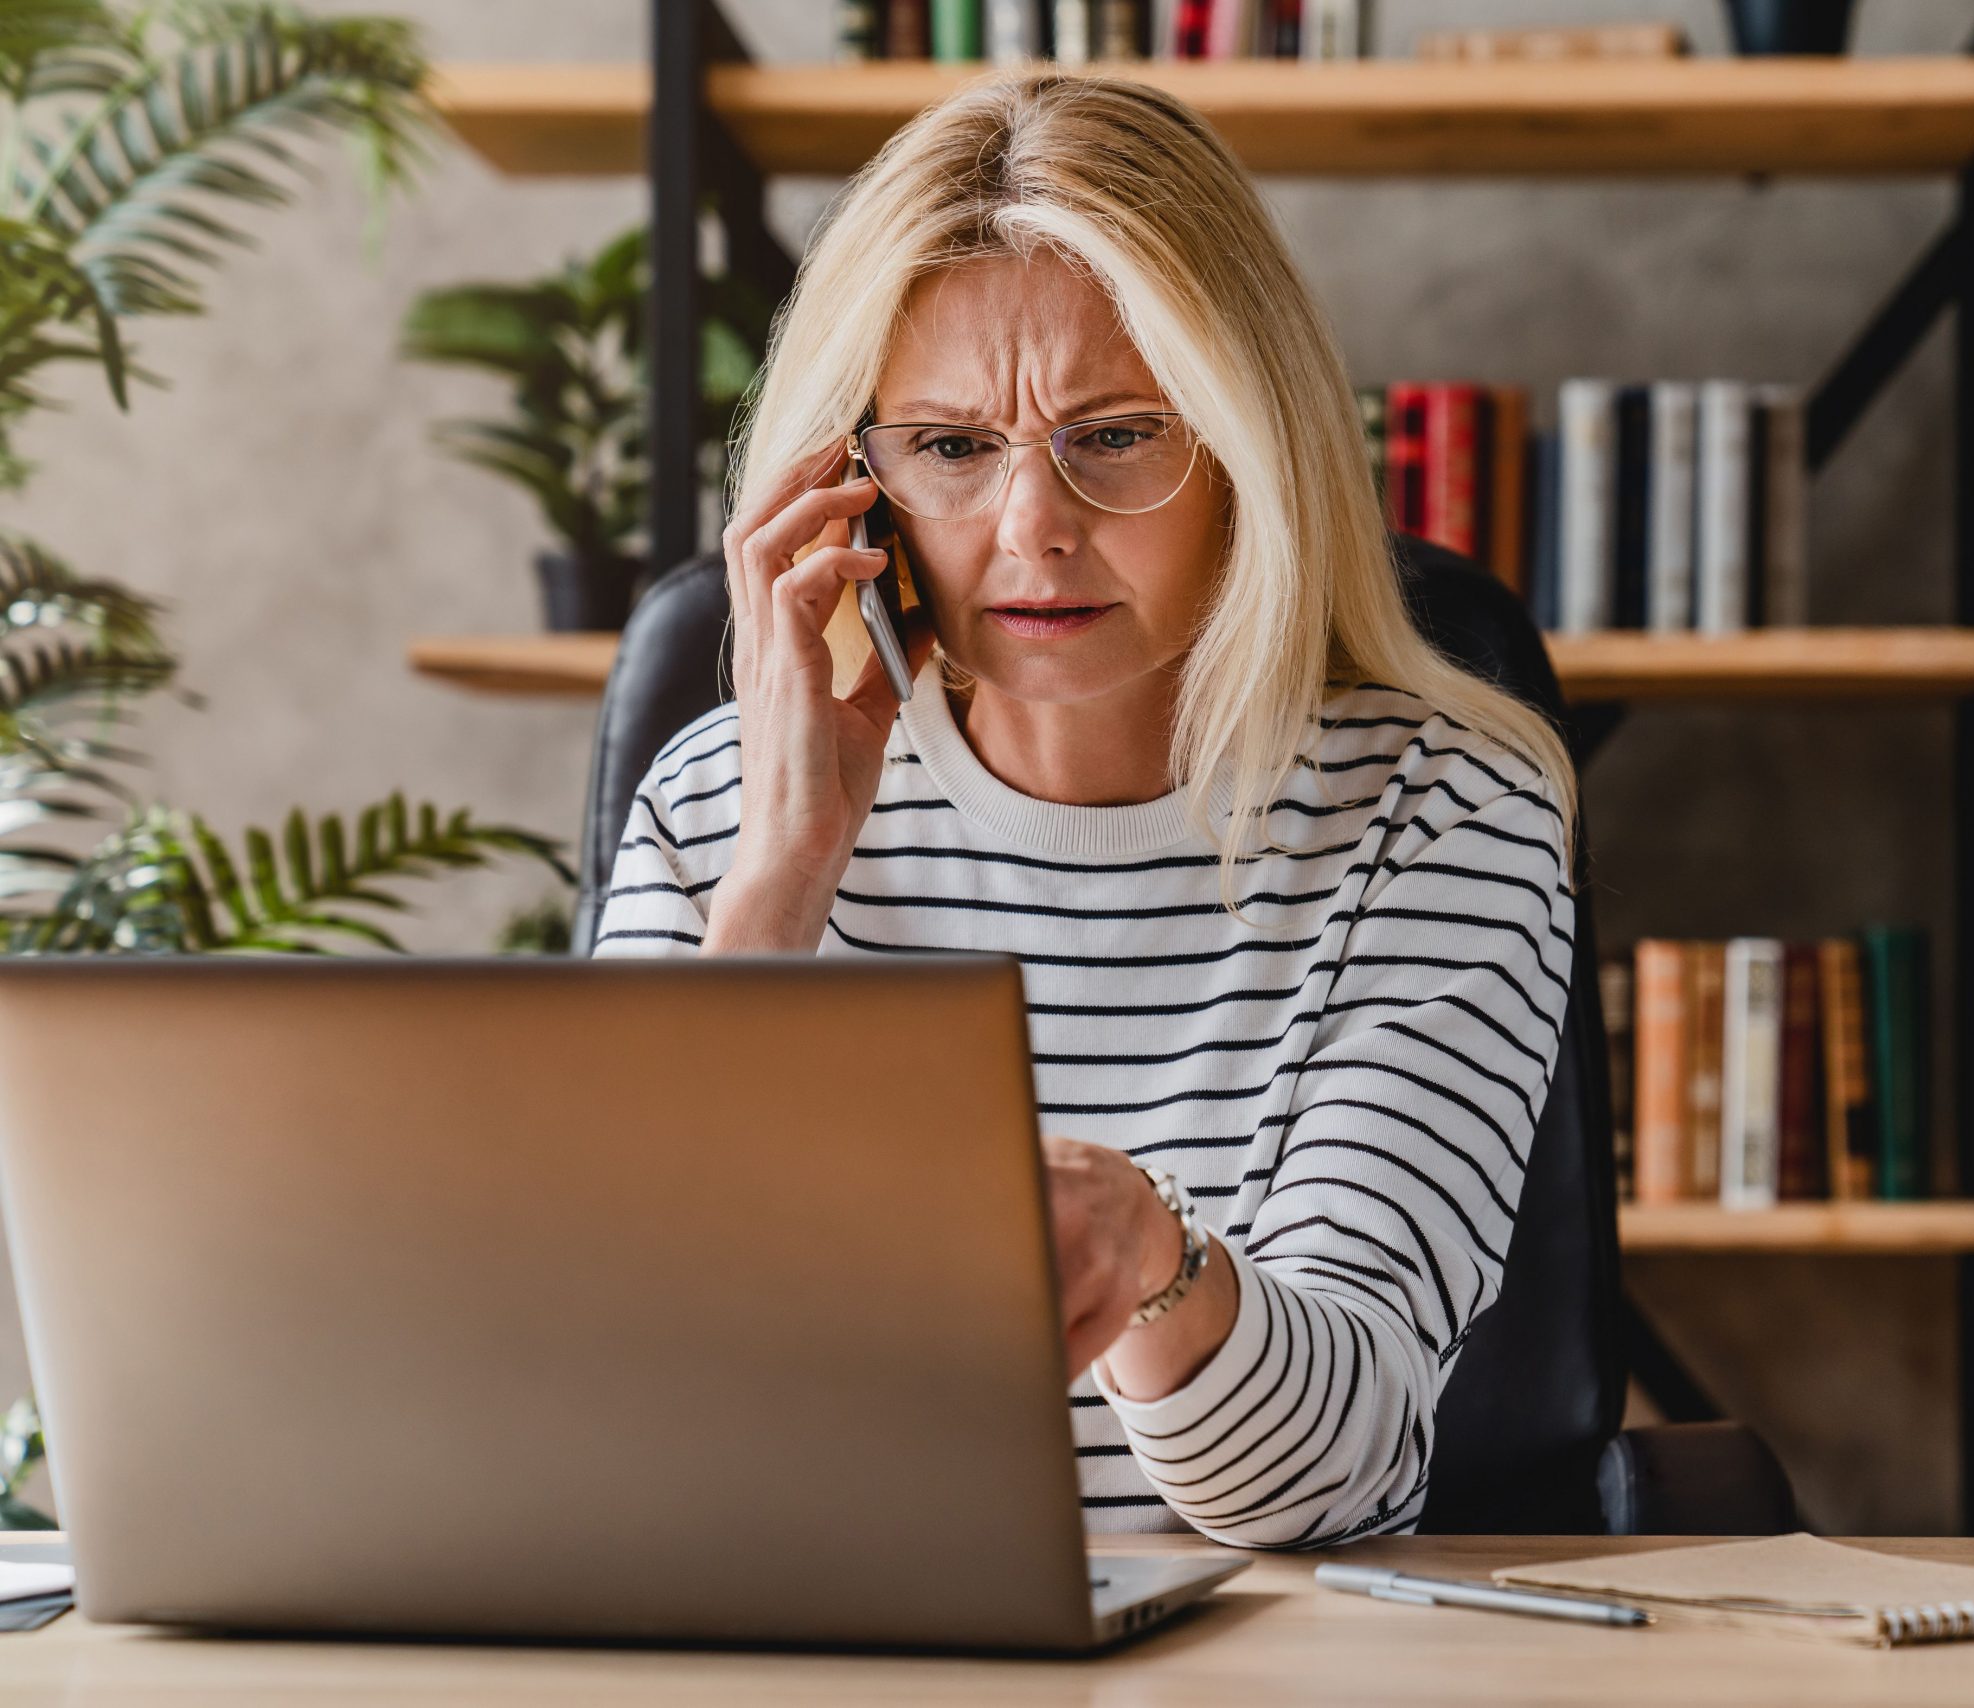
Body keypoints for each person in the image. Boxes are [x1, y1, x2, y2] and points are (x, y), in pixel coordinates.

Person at [593, 69, 1577, 1549]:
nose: (1032, 527)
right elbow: (604, 1389)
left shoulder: (1443, 818)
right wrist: (783, 875)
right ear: (850, 486)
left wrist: (1148, 1255)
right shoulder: (716, 806)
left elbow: (1327, 1480)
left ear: (1255, 455)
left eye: (1116, 435)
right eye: (949, 447)